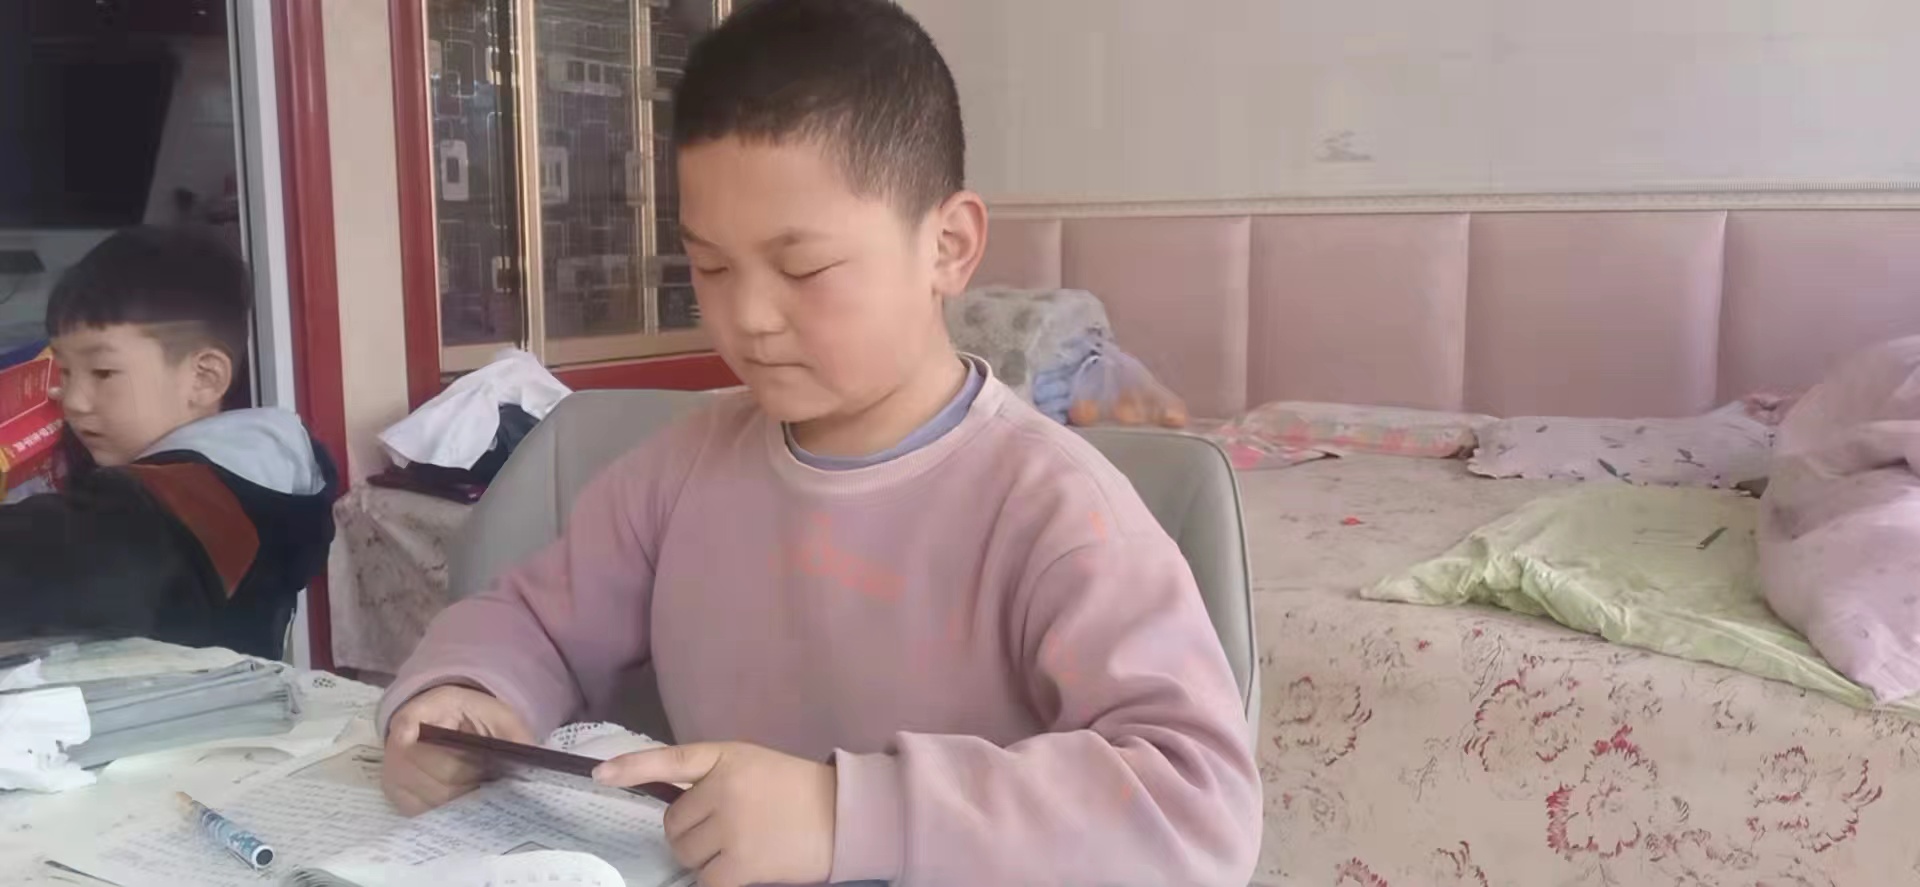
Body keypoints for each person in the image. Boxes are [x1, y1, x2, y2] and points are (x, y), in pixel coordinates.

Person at [378, 0, 1260, 884]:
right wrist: (468, 695)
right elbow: (533, 619)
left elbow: (1199, 806)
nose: (749, 316)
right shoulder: (679, 471)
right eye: (710, 266)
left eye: (803, 268)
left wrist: (848, 814)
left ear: (948, 246)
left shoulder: (1056, 512)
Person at [0, 226, 338, 660]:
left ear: (204, 378)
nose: (74, 401)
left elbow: (65, 560)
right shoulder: (259, 470)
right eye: (65, 372)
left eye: (103, 373)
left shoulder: (198, 499)